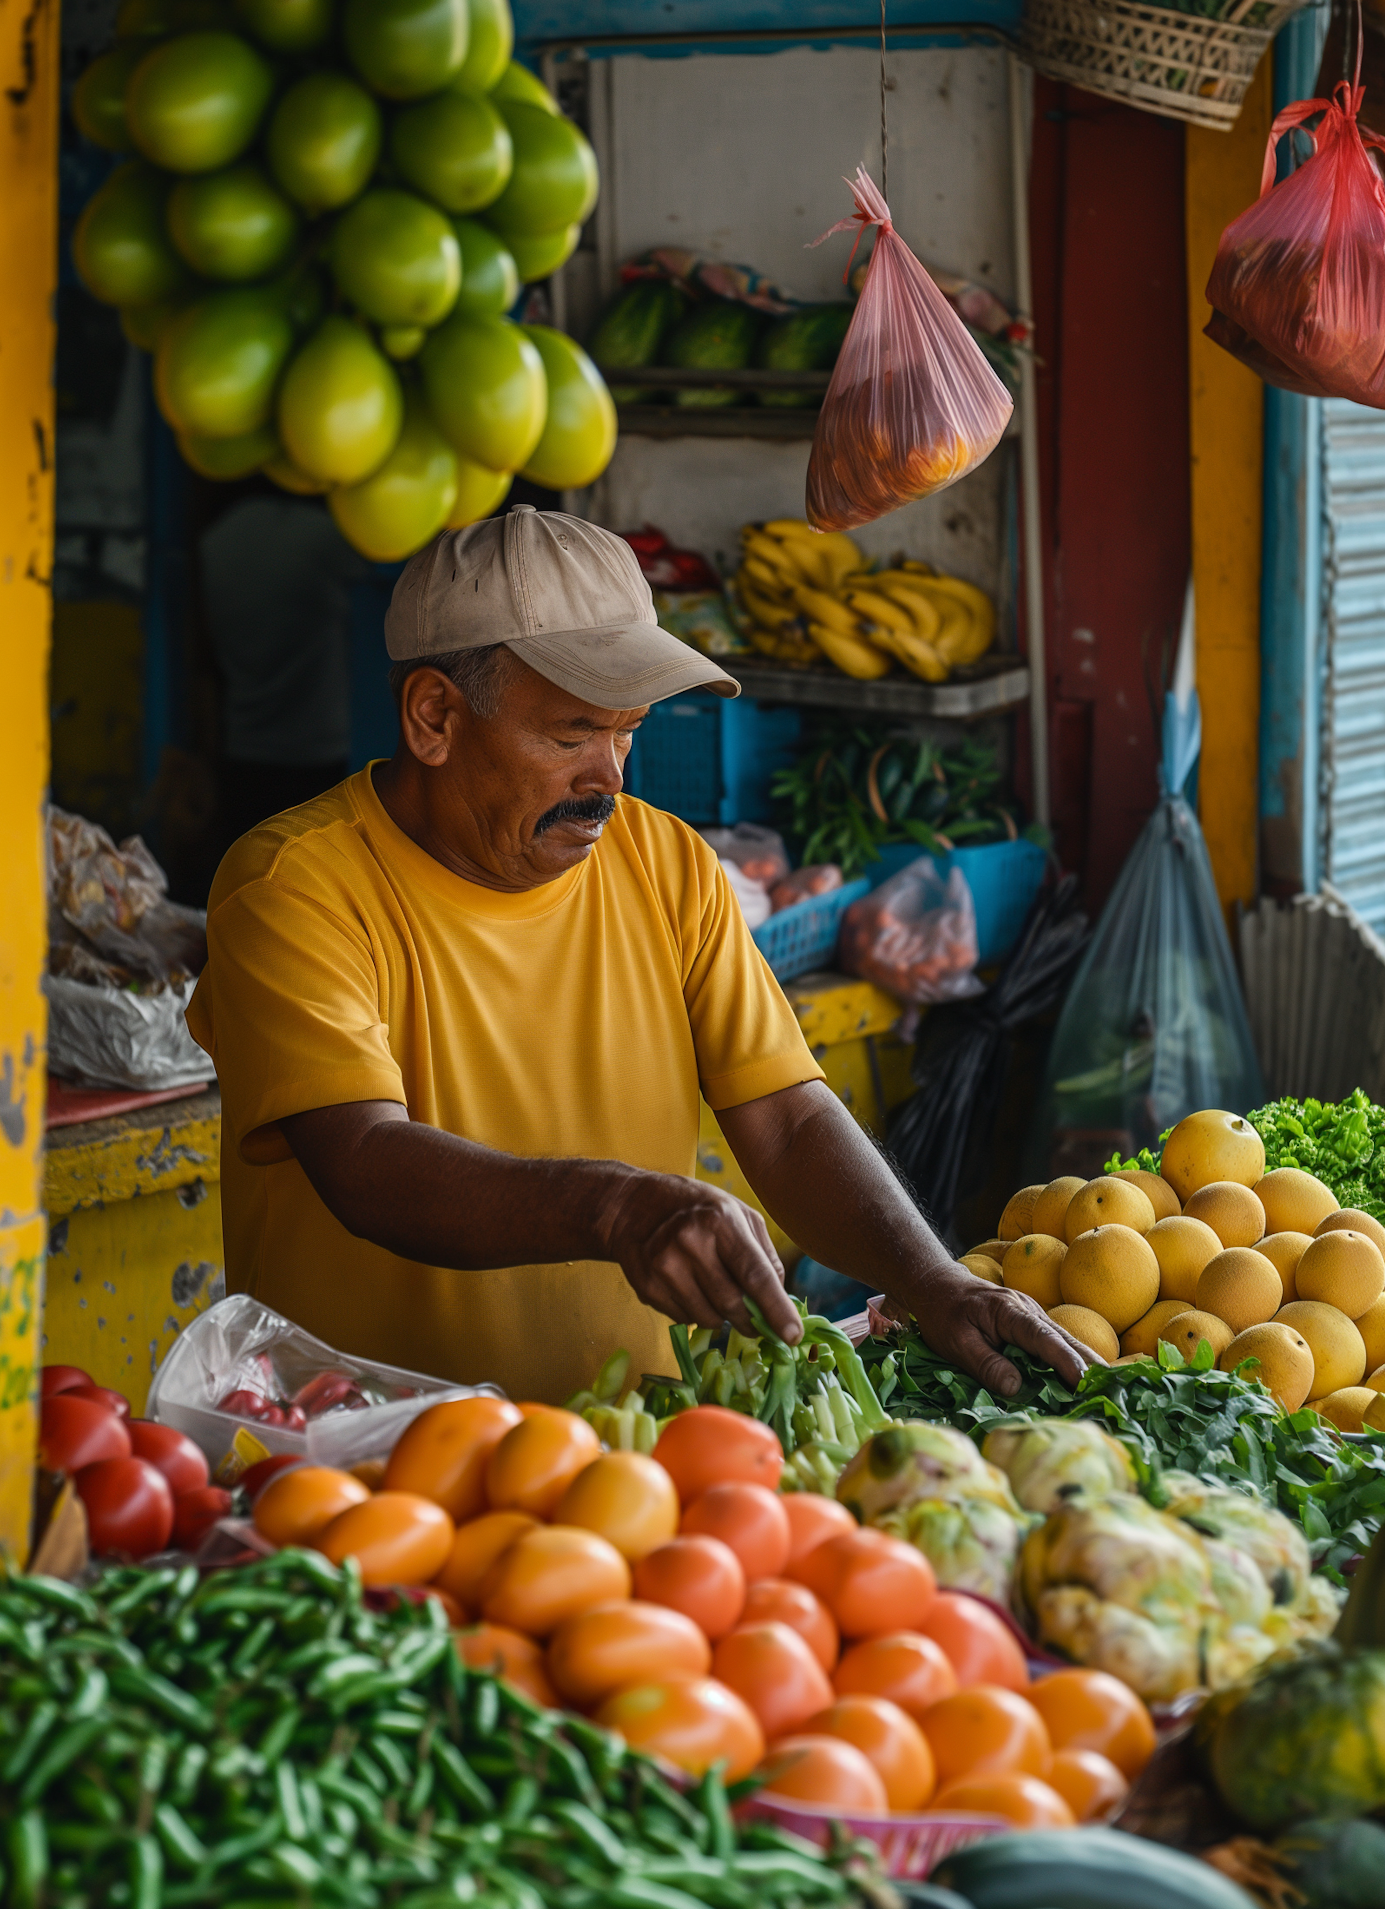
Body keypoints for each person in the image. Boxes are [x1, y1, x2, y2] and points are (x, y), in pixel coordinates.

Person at [188, 508, 1085, 1407]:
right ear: (434, 717)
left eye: (628, 731)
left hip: (629, 1457)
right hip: (370, 1462)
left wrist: (932, 1278)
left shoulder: (668, 864)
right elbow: (364, 1159)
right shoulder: (293, 887)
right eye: (572, 732)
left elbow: (789, 1120)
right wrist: (616, 1207)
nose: (609, 777)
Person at [198, 491, 362, 855]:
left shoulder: (218, 537)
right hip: (320, 752)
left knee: (248, 876)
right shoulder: (328, 536)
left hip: (244, 749)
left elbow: (204, 650)